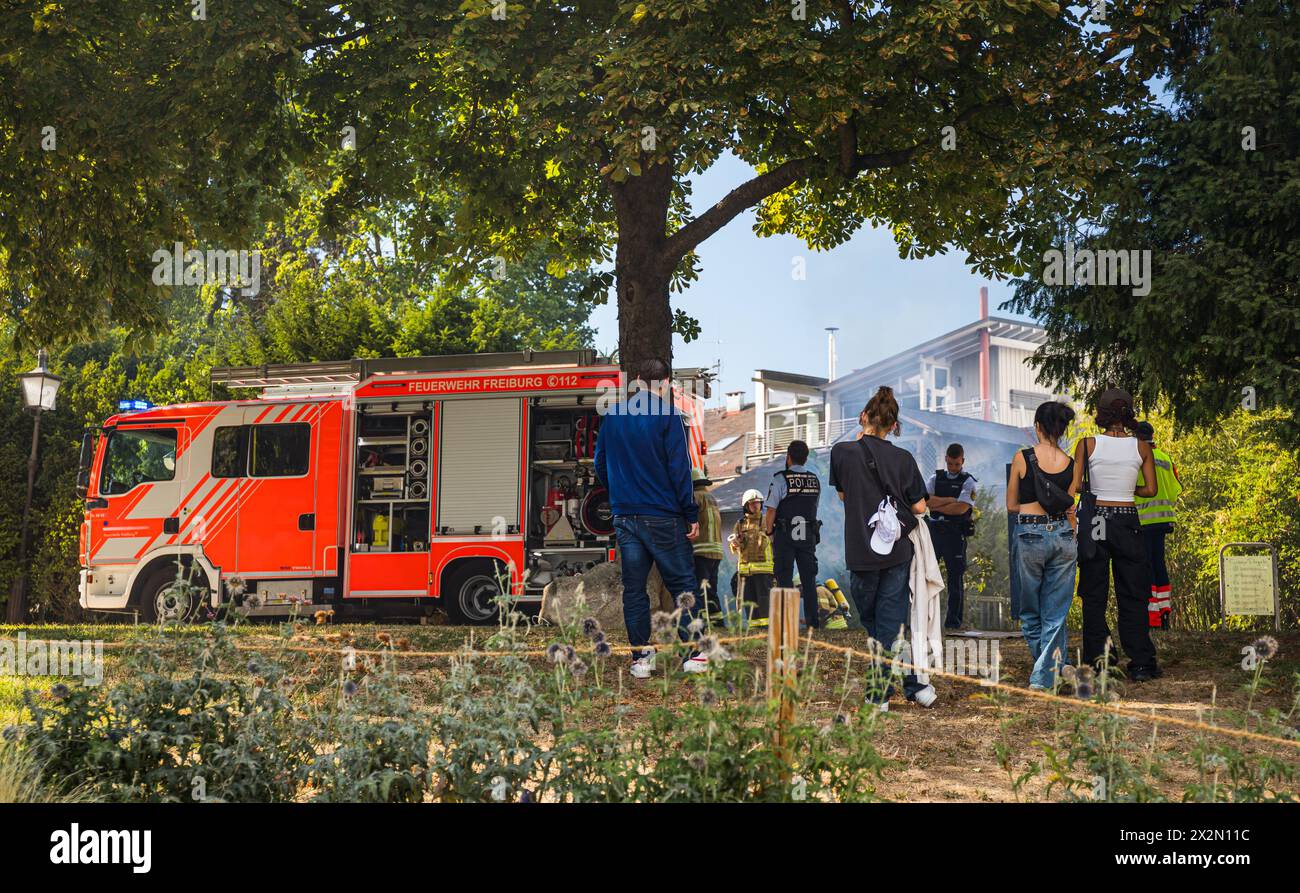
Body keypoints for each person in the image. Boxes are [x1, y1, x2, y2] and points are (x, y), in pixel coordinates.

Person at [593, 359, 706, 678]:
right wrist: (689, 511)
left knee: (634, 589)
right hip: (663, 515)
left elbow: (600, 464)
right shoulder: (670, 416)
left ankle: (641, 658)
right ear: (667, 383)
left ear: (638, 380)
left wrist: (619, 492)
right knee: (682, 582)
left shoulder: (612, 416)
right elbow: (679, 469)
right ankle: (696, 652)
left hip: (625, 516)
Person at [829, 386, 936, 710]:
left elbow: (845, 496)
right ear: (893, 426)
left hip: (861, 549)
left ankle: (879, 694)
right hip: (896, 552)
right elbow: (918, 507)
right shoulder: (903, 459)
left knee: (875, 621)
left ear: (863, 417)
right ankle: (913, 682)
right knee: (886, 623)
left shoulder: (841, 452)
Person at [1071, 388, 1162, 682]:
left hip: (1097, 521)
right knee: (1133, 593)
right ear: (1129, 413)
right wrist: (1127, 490)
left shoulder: (1087, 445)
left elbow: (1075, 486)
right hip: (1127, 521)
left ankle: (1100, 662)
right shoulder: (1142, 447)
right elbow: (1151, 490)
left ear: (1102, 413)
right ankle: (1141, 663)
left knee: (1094, 593)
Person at [1006, 401, 1078, 691]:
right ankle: (1060, 668)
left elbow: (1011, 505)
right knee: (1055, 612)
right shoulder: (1072, 464)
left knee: (1029, 610)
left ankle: (1042, 678)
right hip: (1063, 536)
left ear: (1037, 426)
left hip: (1030, 536)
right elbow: (1071, 507)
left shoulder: (1022, 457)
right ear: (1061, 430)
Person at [764, 440, 822, 630]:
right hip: (807, 535)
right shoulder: (814, 480)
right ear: (805, 458)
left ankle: (789, 623)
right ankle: (814, 623)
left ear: (788, 457)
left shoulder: (780, 479)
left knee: (784, 577)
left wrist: (769, 532)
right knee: (808, 579)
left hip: (784, 535)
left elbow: (771, 510)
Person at [1134, 421, 1182, 629]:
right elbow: (1175, 490)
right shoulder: (1165, 458)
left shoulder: (1137, 457)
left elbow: (1131, 488)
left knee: (1146, 568)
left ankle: (1151, 618)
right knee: (1159, 565)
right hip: (1163, 520)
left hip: (1143, 521)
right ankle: (1164, 614)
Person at [925, 443, 976, 629]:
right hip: (935, 532)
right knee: (926, 576)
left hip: (955, 534)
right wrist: (950, 501)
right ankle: (924, 620)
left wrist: (940, 505)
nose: (954, 467)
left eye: (957, 464)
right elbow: (926, 502)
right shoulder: (934, 478)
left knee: (955, 579)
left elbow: (962, 508)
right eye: (951, 463)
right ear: (946, 458)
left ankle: (953, 623)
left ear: (962, 461)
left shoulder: (969, 481)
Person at [729, 489, 774, 628]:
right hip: (745, 572)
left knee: (765, 601)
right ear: (746, 506)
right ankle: (754, 631)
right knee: (749, 602)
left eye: (757, 503)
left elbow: (775, 542)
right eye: (752, 504)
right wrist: (735, 543)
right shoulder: (740, 524)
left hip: (763, 571)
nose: (755, 506)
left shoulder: (768, 520)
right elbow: (734, 549)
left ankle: (768, 630)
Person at [691, 467, 725, 621]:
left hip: (701, 549)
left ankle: (702, 620)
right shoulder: (712, 497)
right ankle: (717, 621)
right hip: (716, 550)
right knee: (711, 588)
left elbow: (688, 519)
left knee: (700, 588)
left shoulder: (695, 497)